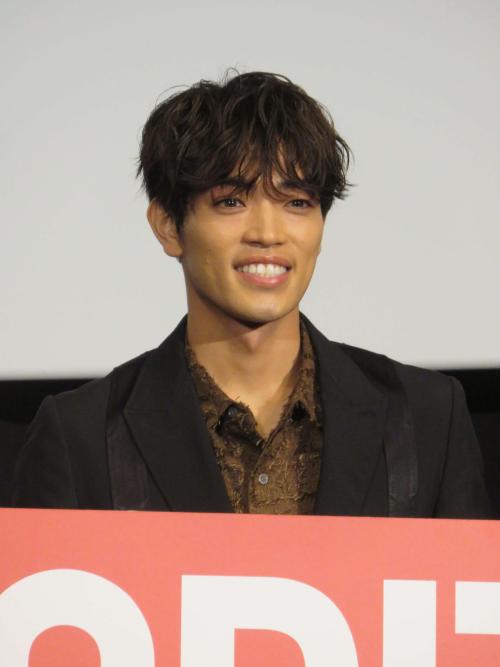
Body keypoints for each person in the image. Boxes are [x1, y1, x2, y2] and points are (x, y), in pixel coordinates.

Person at [12, 71, 490, 518]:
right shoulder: (80, 437)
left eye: (297, 202)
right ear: (168, 226)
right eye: (231, 201)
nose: (268, 233)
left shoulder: (427, 417)